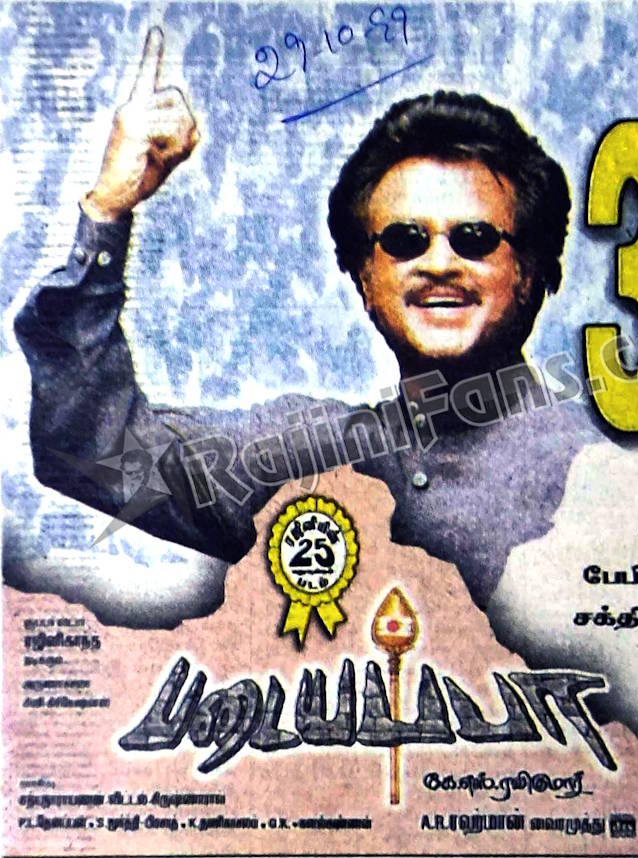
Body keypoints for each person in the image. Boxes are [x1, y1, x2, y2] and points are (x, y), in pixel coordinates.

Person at [15, 27, 602, 609]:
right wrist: (108, 210)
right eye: (404, 240)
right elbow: (92, 454)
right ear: (365, 279)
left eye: (474, 238)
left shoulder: (604, 468)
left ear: (531, 271)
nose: (439, 264)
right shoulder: (301, 461)